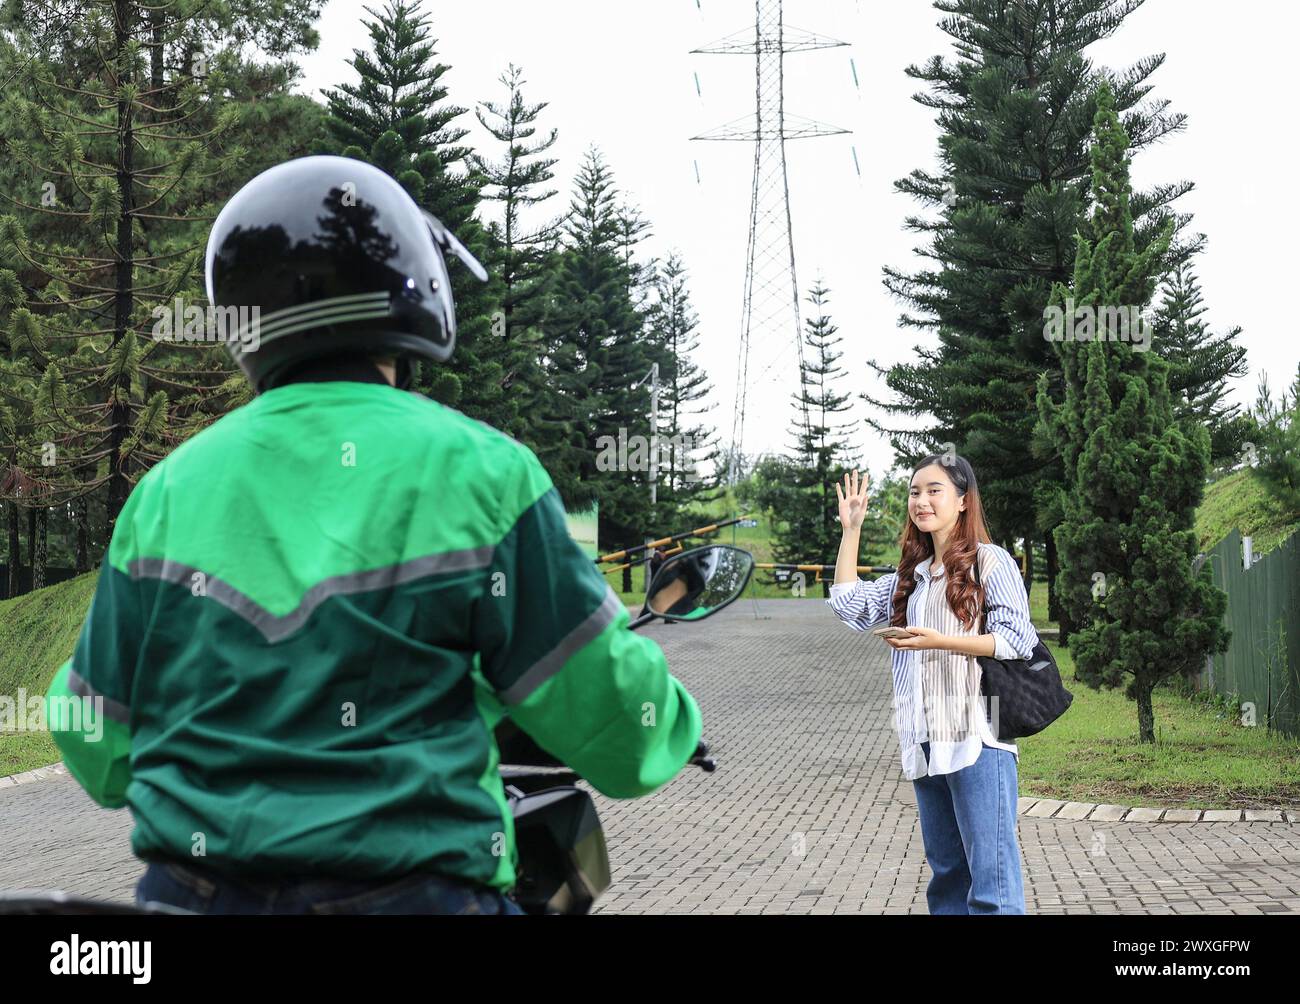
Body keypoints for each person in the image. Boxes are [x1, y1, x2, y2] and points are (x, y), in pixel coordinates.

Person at [45, 155, 703, 915]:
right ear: (415, 289)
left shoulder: (167, 492)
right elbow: (612, 719)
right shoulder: (483, 473)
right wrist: (674, 724)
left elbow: (90, 737)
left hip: (190, 897)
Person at [827, 458, 1038, 915]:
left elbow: (1019, 638)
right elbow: (848, 606)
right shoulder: (913, 575)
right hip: (923, 741)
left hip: (977, 738)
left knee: (992, 883)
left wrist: (938, 641)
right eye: (914, 492)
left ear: (963, 501)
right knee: (946, 879)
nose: (921, 501)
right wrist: (851, 530)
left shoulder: (990, 560)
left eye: (934, 490)